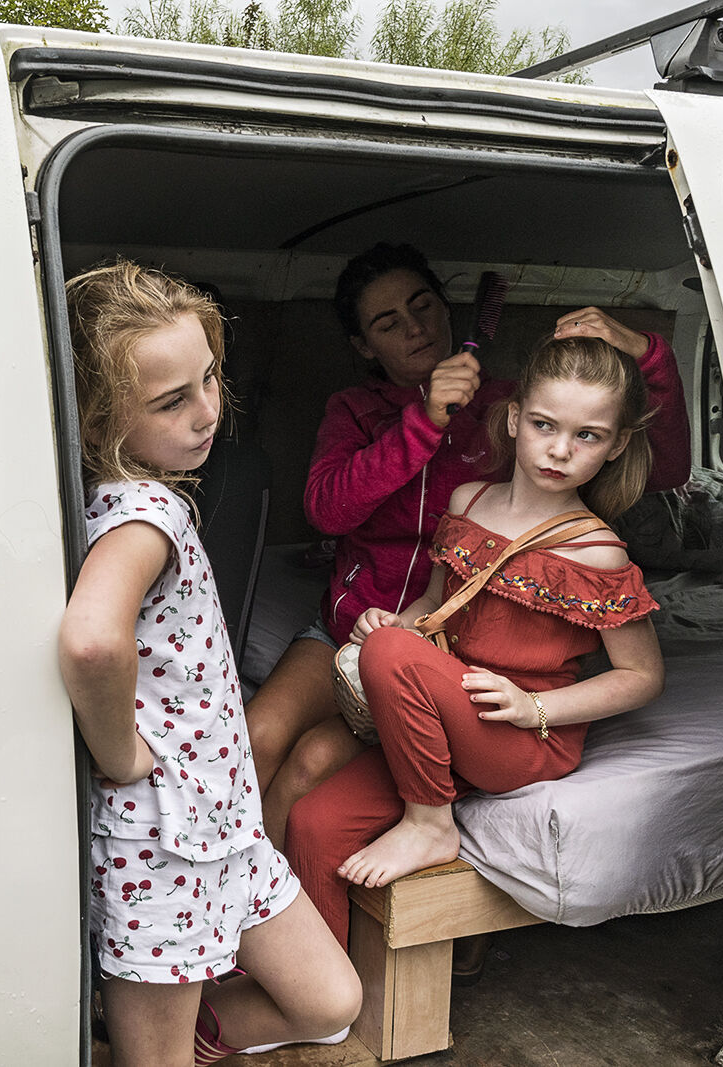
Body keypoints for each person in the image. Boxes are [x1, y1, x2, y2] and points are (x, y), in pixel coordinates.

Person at [251, 242, 690, 849]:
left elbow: (663, 469)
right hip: (358, 625)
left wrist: (648, 355)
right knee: (260, 740)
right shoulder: (354, 410)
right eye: (387, 323)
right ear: (363, 347)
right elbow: (328, 510)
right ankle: (240, 916)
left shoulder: (513, 407)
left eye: (422, 305)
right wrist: (424, 419)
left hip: (450, 653)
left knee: (314, 764)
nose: (414, 328)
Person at [58, 260, 360, 1066]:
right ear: (95, 422)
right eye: (171, 400)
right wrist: (120, 752)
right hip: (164, 845)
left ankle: (163, 1036)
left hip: (221, 830)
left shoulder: (140, 496)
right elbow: (91, 639)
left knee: (333, 1001)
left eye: (211, 378)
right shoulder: (144, 513)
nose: (208, 412)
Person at [284, 332, 666, 947]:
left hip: (524, 735)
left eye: (587, 436)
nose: (560, 450)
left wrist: (533, 706)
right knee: (313, 822)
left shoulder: (596, 550)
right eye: (544, 424)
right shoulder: (468, 501)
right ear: (513, 419)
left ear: (617, 444)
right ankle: (324, 999)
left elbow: (642, 677)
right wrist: (391, 624)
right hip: (448, 719)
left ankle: (429, 823)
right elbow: (433, 610)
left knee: (389, 658)